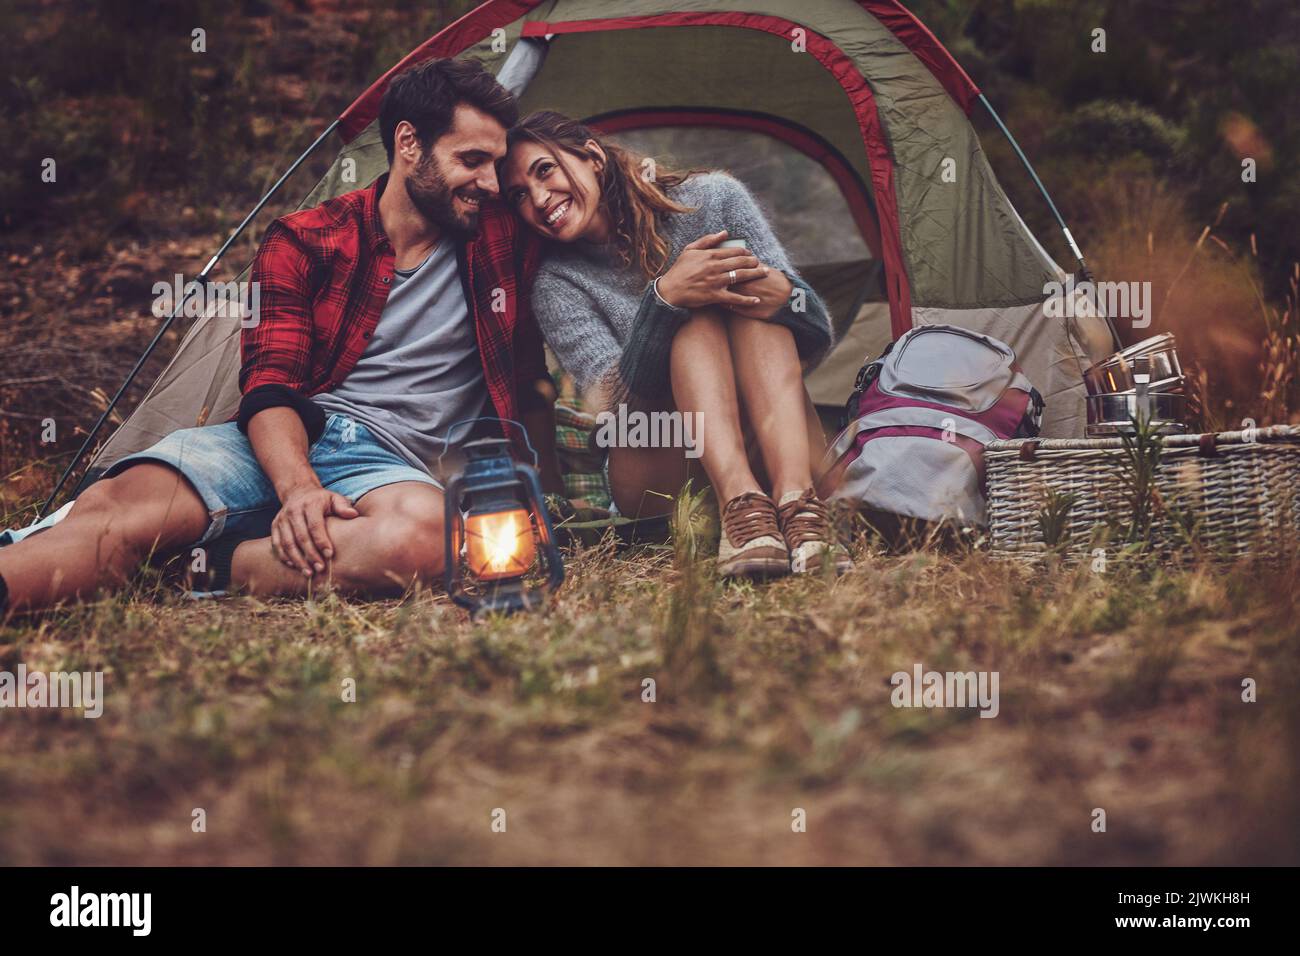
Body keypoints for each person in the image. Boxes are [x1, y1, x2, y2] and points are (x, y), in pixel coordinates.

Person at [0, 58, 560, 616]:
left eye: (495, 162)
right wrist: (299, 490)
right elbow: (271, 385)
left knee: (427, 538)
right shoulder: (307, 238)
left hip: (387, 466)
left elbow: (589, 199)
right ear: (409, 143)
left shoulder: (503, 232)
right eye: (471, 160)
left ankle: (201, 565)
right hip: (276, 437)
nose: (491, 182)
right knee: (115, 515)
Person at [499, 111, 851, 579]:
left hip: (765, 439)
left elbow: (816, 327)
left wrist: (787, 298)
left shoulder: (714, 199)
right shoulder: (557, 281)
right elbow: (611, 403)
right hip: (658, 459)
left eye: (544, 170)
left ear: (592, 156)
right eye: (518, 196)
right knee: (691, 316)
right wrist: (663, 303)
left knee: (744, 295)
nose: (539, 199)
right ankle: (742, 511)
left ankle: (798, 506)